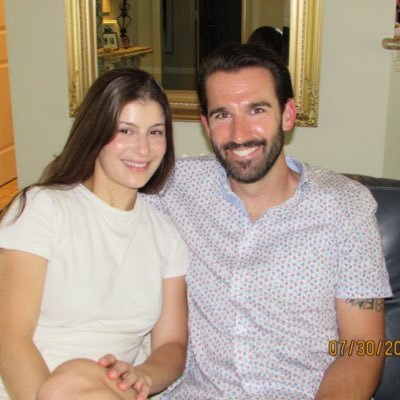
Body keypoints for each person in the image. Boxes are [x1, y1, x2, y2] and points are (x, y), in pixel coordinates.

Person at [99, 44, 393, 399]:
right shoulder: (173, 186)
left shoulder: (344, 207)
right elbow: (94, 189)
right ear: (206, 125)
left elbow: (363, 348)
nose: (239, 133)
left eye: (256, 110)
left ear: (287, 115)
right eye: (222, 115)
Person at [0, 68, 188, 400]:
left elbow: (172, 345)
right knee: (70, 379)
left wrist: (144, 375)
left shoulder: (165, 234)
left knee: (78, 377)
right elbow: (10, 337)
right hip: (27, 389)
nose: (143, 149)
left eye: (155, 132)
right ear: (96, 133)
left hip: (113, 391)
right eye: (125, 130)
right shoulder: (43, 208)